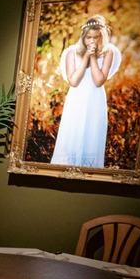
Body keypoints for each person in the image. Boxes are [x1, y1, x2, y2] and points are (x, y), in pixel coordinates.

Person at [50, 15, 122, 168]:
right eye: (88, 37)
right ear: (83, 37)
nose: (92, 41)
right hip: (76, 98)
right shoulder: (71, 53)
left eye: (96, 37)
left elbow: (98, 81)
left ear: (102, 37)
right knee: (72, 133)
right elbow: (74, 81)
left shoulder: (108, 53)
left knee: (91, 134)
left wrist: (94, 58)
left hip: (95, 100)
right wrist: (86, 58)